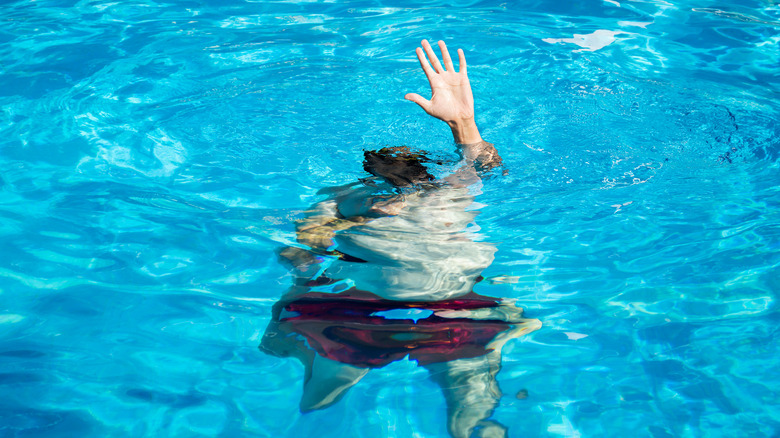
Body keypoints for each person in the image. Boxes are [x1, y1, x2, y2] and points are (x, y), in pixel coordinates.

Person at [260, 40, 540, 438]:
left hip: (409, 313)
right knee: (318, 400)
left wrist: (463, 122)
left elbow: (491, 166)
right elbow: (308, 246)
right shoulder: (348, 200)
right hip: (414, 312)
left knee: (471, 417)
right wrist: (361, 220)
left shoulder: (447, 189)